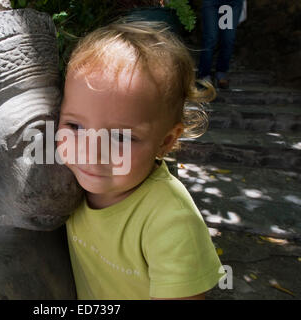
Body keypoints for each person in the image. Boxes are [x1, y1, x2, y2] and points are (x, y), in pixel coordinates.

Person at [57, 20, 225, 300]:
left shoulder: (171, 223)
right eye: (75, 126)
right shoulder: (65, 182)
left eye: (121, 138)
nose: (90, 150)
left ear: (166, 141)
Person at [198, 0, 245, 89]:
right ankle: (204, 75)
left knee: (228, 39)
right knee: (210, 38)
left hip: (232, 4)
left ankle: (221, 72)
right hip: (211, 3)